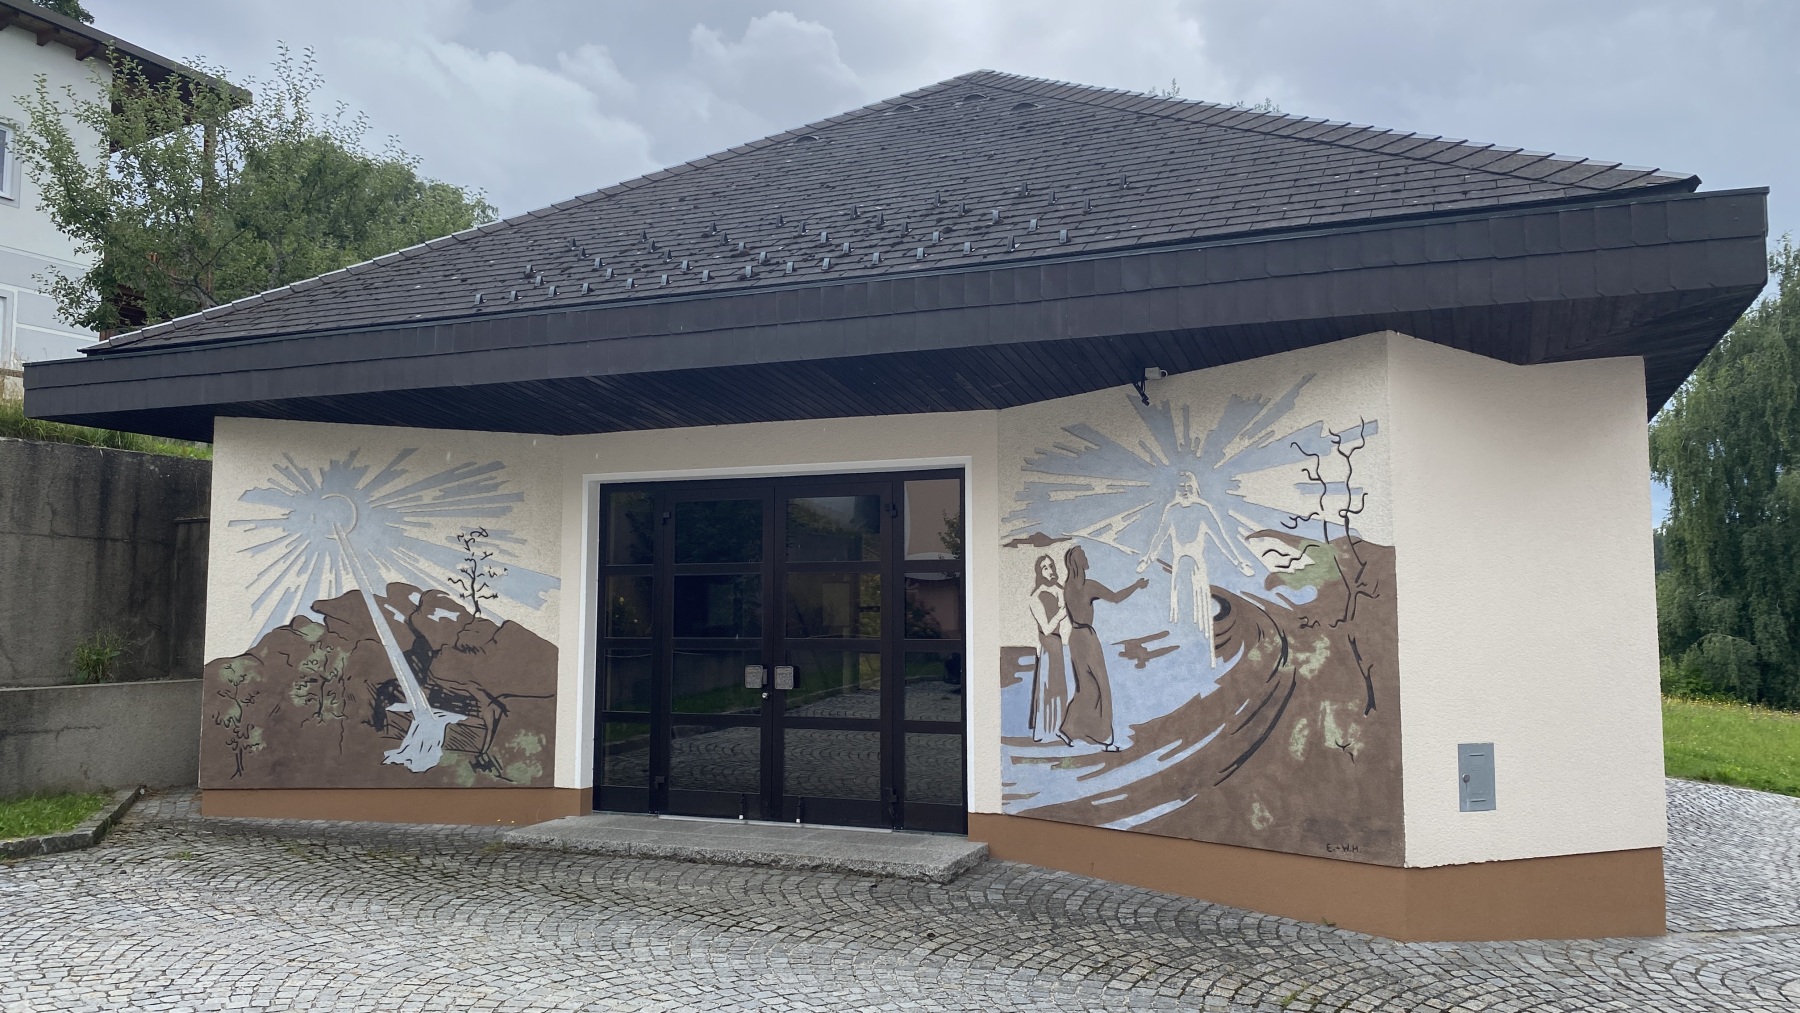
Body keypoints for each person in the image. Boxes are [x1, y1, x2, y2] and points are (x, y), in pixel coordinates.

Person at [1137, 470, 1255, 666]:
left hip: (1196, 569)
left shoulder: (1202, 510)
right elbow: (1159, 536)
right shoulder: (1172, 510)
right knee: (1180, 610)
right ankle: (1183, 656)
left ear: (1195, 488)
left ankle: (1201, 656)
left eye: (1188, 486)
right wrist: (1148, 559)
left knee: (1199, 613)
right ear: (1175, 490)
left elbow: (1221, 538)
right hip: (1179, 569)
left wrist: (1238, 562)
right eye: (1181, 487)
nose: (1185, 490)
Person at [1060, 545, 1148, 750]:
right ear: (1078, 562)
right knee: (1102, 686)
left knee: (1086, 687)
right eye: (1083, 556)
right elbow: (1115, 597)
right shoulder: (1088, 586)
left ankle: (1069, 730)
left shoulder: (1068, 587)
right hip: (1087, 638)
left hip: (1075, 638)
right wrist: (1136, 585)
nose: (1087, 558)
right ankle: (1106, 739)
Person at [1026, 554, 1071, 744]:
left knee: (1059, 686)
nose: (1050, 570)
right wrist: (1061, 614)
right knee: (1047, 686)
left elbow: (1070, 600)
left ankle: (1060, 727)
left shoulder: (1059, 589)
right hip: (1047, 644)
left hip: (1058, 643)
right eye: (1045, 567)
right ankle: (1044, 730)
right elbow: (1046, 628)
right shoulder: (1035, 596)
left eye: (1051, 565)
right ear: (1039, 572)